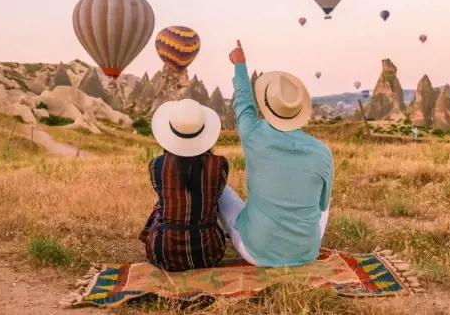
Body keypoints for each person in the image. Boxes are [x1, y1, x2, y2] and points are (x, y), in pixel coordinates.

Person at [218, 40, 334, 267]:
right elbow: (321, 205)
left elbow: (243, 106)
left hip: (256, 252)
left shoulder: (253, 135)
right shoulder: (323, 152)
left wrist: (240, 64)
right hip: (306, 253)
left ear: (267, 106)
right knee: (325, 200)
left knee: (221, 191)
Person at [138, 98, 230, 271]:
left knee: (161, 204)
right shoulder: (220, 165)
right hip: (208, 254)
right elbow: (217, 194)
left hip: (163, 254)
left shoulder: (156, 165)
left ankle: (149, 235)